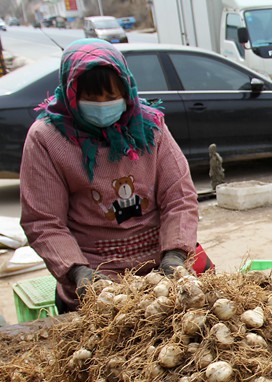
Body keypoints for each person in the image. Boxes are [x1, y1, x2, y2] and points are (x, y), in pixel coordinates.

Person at [19, 39, 211, 314]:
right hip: (96, 281)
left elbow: (179, 197)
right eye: (91, 98)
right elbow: (43, 221)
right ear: (71, 93)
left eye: (111, 96)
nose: (102, 105)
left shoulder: (150, 127)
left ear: (126, 90)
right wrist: (78, 272)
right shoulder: (46, 138)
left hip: (162, 270)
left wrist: (175, 255)